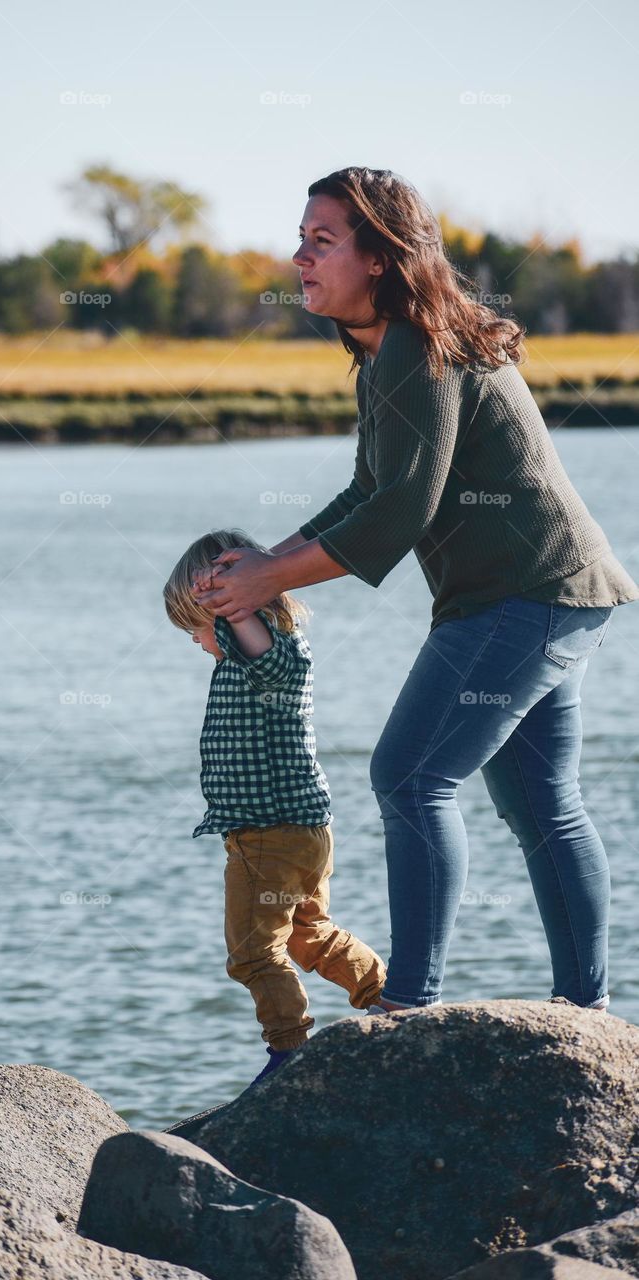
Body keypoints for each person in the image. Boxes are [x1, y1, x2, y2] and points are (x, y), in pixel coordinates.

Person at [192, 166, 639, 1017]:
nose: (298, 258)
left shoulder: (413, 345)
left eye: (320, 241)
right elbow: (369, 490)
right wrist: (264, 562)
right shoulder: (390, 349)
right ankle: (586, 1016)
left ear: (380, 255)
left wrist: (268, 576)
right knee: (541, 805)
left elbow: (401, 510)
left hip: (525, 596)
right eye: (301, 239)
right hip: (555, 593)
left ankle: (409, 1003)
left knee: (409, 778)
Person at [164, 529, 386, 1084]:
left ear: (226, 609)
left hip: (270, 837)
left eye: (195, 626)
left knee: (252, 954)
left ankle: (289, 1052)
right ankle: (388, 999)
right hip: (298, 834)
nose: (194, 640)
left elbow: (261, 651)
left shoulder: (273, 657)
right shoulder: (246, 664)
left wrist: (234, 609)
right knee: (309, 935)